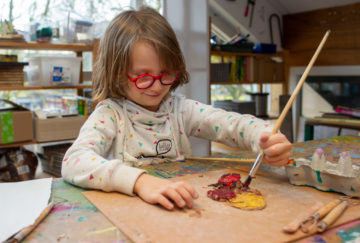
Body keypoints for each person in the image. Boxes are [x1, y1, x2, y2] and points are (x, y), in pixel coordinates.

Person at [62, 7, 292, 211]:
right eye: (144, 77)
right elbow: (74, 162)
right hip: (128, 214)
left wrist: (265, 135)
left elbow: (230, 124)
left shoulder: (179, 110)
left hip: (177, 211)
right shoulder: (110, 114)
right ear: (117, 73)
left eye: (167, 74)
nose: (158, 86)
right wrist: (140, 181)